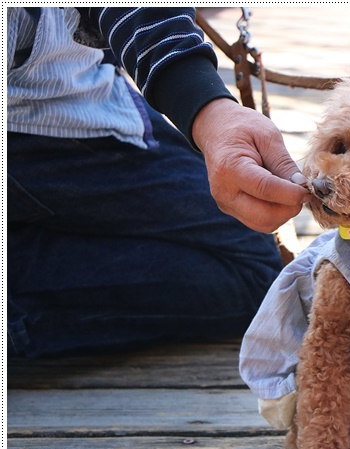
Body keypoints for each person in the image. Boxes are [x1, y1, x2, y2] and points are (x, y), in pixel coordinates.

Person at [7, 7, 311, 358]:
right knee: (254, 272)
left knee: (257, 260)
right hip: (26, 122)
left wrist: (207, 107)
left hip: (83, 89)